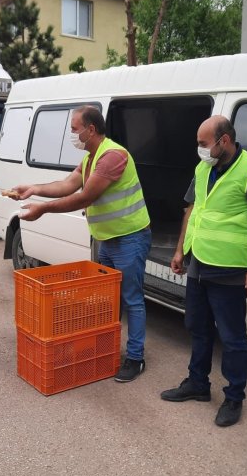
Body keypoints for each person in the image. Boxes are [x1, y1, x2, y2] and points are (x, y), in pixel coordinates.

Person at [15, 105, 152, 383]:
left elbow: (84, 197)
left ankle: (136, 358)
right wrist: (35, 189)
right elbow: (68, 185)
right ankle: (107, 348)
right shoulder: (91, 157)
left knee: (131, 299)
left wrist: (43, 209)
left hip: (129, 238)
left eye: (75, 129)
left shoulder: (112, 156)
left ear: (91, 129)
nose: (72, 134)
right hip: (107, 239)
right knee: (108, 299)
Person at [161, 115, 247, 427]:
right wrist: (180, 249)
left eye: (203, 143)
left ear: (223, 140)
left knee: (232, 336)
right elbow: (192, 209)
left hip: (229, 269)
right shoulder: (203, 168)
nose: (199, 149)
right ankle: (197, 384)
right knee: (197, 326)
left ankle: (234, 397)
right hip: (199, 263)